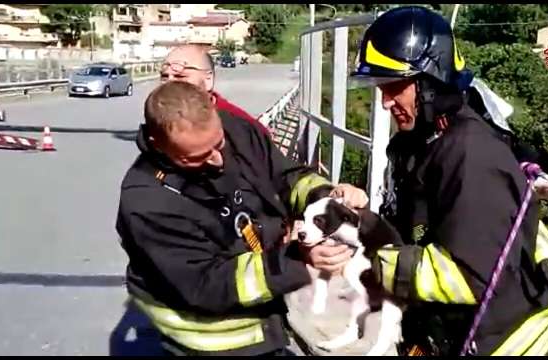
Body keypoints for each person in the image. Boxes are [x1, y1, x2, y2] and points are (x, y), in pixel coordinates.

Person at [348, 6, 548, 356]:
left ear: (429, 82)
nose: (386, 101)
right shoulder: (420, 142)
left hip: (501, 338)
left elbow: (469, 279)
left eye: (394, 85)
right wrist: (360, 223)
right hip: (448, 329)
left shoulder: (470, 154)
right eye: (380, 86)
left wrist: (369, 264)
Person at [115, 80, 367, 356]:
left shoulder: (235, 128)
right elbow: (206, 284)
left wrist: (326, 197)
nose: (218, 160)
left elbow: (284, 177)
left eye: (218, 144)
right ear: (158, 145)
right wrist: (297, 262)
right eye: (197, 157)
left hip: (268, 311)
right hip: (213, 338)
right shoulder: (147, 201)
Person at [160, 44, 271, 136]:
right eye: (164, 77)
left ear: (208, 79)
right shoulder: (156, 118)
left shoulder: (244, 129)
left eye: (180, 77)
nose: (169, 84)